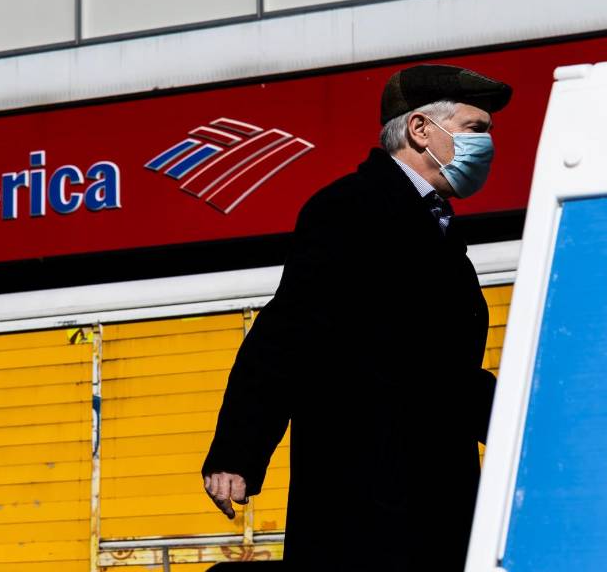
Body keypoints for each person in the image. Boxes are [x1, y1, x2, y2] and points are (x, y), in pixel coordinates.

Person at [202, 64, 512, 570]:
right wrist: (238, 451)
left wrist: (525, 426)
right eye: (475, 128)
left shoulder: (438, 227)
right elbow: (287, 333)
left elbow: (441, 371)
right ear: (420, 129)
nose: (487, 143)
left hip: (433, 493)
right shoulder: (350, 209)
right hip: (370, 500)